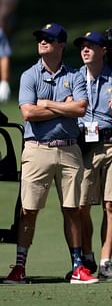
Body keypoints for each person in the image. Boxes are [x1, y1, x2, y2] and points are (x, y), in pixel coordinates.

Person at [3, 23, 98, 284]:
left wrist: (46, 104)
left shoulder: (75, 75)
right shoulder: (29, 75)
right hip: (37, 149)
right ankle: (19, 267)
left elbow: (80, 108)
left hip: (69, 149)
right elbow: (28, 113)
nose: (43, 42)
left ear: (60, 45)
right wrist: (61, 107)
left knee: (72, 209)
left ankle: (78, 267)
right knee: (28, 210)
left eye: (49, 39)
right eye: (41, 39)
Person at [65, 31, 112, 281]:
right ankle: (86, 257)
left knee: (110, 205)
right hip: (86, 146)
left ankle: (106, 261)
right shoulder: (75, 78)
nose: (85, 50)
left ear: (103, 51)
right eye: (82, 47)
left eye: (91, 46)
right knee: (82, 205)